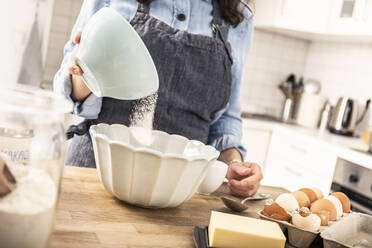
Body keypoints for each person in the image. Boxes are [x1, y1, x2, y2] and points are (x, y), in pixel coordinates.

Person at [54, 0, 263, 197]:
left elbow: (225, 120)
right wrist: (84, 73)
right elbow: (70, 95)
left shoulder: (239, 16)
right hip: (97, 174)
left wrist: (236, 164)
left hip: (179, 195)